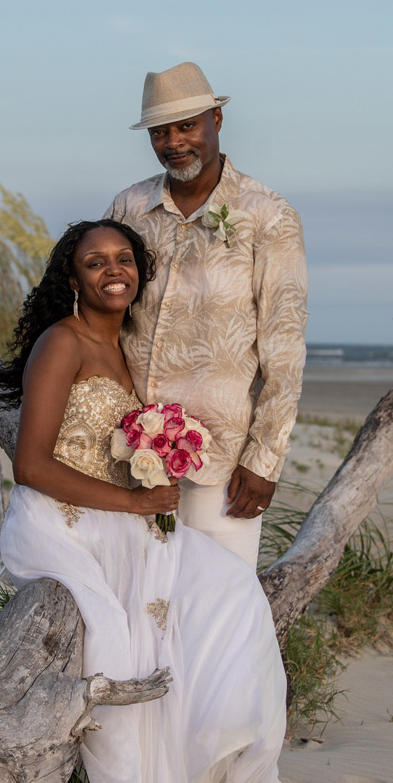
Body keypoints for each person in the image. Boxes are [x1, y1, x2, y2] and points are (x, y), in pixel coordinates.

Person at [0, 218, 295, 783]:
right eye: (94, 261)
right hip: (61, 526)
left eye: (123, 258)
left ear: (138, 272)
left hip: (125, 523)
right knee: (125, 653)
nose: (112, 269)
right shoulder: (61, 343)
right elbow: (31, 464)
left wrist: (154, 477)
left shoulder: (129, 351)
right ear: (72, 277)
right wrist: (132, 498)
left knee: (231, 600)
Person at [106, 62, 308, 570]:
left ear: (217, 120)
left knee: (221, 607)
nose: (174, 142)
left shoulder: (269, 213)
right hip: (126, 452)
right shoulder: (129, 208)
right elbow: (98, 312)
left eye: (187, 126)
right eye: (159, 132)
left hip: (221, 460)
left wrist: (264, 461)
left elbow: (284, 347)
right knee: (138, 603)